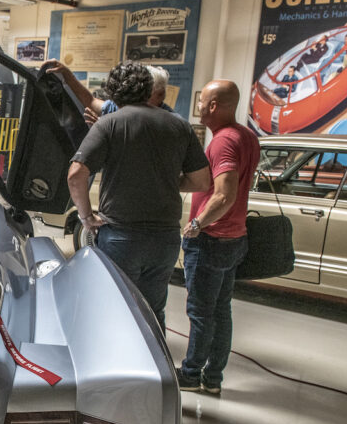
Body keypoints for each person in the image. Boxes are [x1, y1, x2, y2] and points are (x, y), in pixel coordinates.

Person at [67, 62, 211, 331]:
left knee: (115, 308)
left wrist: (86, 216)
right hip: (165, 240)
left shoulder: (109, 124)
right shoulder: (179, 126)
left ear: (113, 93)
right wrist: (164, 180)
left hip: (122, 236)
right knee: (152, 311)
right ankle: (155, 371)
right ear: (149, 90)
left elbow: (76, 175)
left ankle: (113, 370)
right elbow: (202, 180)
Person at [176, 80, 261, 395]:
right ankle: (213, 378)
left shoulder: (224, 141)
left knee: (200, 312)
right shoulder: (248, 137)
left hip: (211, 239)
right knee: (221, 310)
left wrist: (196, 223)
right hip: (235, 239)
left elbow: (224, 194)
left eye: (202, 101)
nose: (198, 106)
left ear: (213, 106)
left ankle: (190, 373)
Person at [42, 59, 179, 124]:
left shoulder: (172, 123)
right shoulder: (121, 107)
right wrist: (67, 74)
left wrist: (105, 129)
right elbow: (90, 101)